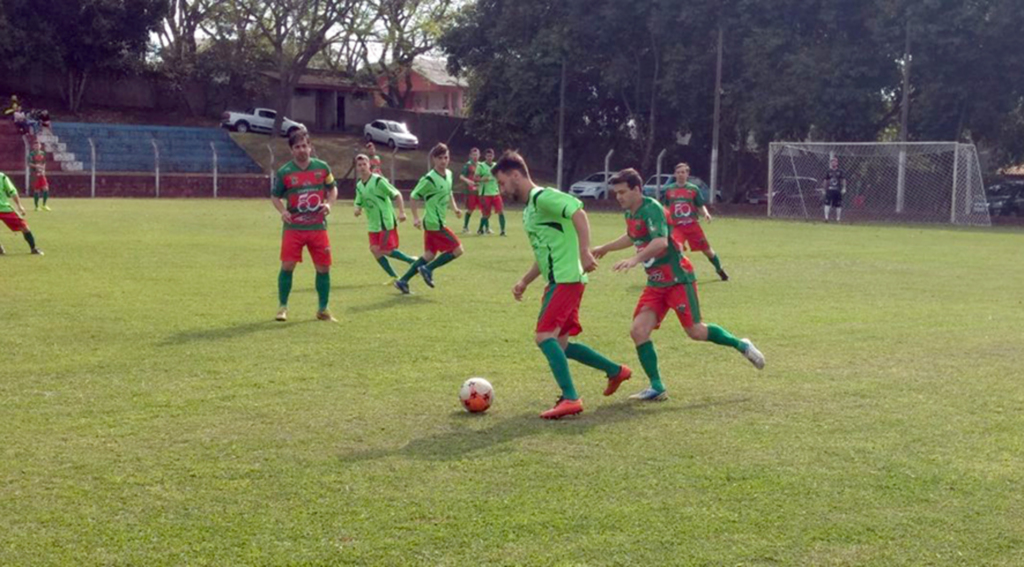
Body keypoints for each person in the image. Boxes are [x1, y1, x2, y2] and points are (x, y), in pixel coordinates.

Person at [593, 169, 764, 400]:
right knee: (638, 331)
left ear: (637, 189)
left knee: (695, 331)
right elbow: (632, 236)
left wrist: (634, 259)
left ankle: (740, 344)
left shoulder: (651, 207)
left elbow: (661, 242)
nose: (619, 197)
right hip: (656, 283)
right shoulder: (631, 213)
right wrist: (605, 248)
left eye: (623, 192)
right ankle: (657, 387)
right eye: (616, 193)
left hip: (677, 279)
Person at [493, 151, 631, 419]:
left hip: (566, 278)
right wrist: (525, 280)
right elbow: (544, 252)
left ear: (515, 175)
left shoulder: (544, 197)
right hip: (559, 279)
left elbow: (578, 212)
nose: (500, 189)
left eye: (501, 183)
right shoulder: (530, 210)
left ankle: (571, 398)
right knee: (562, 345)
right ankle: (616, 371)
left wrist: (584, 251)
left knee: (544, 337)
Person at [270, 130, 338, 322]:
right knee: (288, 265)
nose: (302, 150)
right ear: (291, 150)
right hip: (294, 228)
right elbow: (275, 196)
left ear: (310, 147)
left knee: (323, 267)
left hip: (318, 227)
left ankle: (323, 309)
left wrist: (329, 204)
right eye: (297, 147)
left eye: (304, 146)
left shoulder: (322, 168)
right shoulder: (285, 172)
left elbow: (332, 188)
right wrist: (283, 211)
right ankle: (282, 307)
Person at [394, 143, 464, 295]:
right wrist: (415, 218)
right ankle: (428, 269)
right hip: (434, 223)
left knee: (429, 255)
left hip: (436, 222)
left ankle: (403, 281)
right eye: (440, 158)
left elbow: (449, 192)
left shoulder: (449, 174)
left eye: (446, 157)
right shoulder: (429, 179)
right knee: (458, 250)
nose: (443, 161)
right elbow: (413, 196)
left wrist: (455, 208)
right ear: (433, 159)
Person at [353, 153, 418, 282]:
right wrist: (357, 209)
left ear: (369, 165)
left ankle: (412, 261)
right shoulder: (359, 185)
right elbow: (358, 201)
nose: (362, 167)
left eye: (364, 164)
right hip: (373, 223)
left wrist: (401, 212)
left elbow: (397, 194)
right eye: (359, 165)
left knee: (386, 250)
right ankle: (394, 277)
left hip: (384, 221)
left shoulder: (378, 181)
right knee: (374, 250)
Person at [662, 162, 728, 281]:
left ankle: (719, 269)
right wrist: (663, 218)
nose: (681, 175)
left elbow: (700, 206)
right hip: (677, 227)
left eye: (683, 172)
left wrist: (706, 214)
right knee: (677, 249)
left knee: (707, 251)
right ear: (675, 174)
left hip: (692, 226)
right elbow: (666, 207)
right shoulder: (669, 190)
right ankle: (680, 275)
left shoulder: (693, 189)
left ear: (687, 174)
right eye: (678, 172)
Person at [0, 171, 43, 256]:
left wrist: (19, 205)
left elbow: (12, 191)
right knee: (24, 227)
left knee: (24, 226)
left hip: (4, 208)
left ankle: (33, 248)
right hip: (4, 209)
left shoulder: (2, 177)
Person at [476, 148, 506, 236]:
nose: (489, 157)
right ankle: (480, 229)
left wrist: (502, 187)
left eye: (491, 156)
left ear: (493, 156)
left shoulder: (496, 166)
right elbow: (475, 178)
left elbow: (499, 178)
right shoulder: (481, 166)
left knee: (501, 211)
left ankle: (503, 231)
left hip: (495, 193)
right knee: (486, 214)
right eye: (488, 156)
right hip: (485, 193)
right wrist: (482, 179)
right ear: (485, 156)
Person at [458, 147, 481, 233]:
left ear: (479, 155)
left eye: (477, 155)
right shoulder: (468, 165)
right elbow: (461, 176)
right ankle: (465, 227)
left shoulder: (481, 165)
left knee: (485, 209)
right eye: (473, 155)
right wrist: (468, 181)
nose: (475, 156)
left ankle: (485, 227)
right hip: (471, 191)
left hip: (480, 190)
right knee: (470, 209)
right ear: (470, 155)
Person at [821, 157, 846, 222]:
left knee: (838, 204)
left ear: (837, 163)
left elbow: (843, 180)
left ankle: (838, 219)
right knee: (827, 203)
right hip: (830, 190)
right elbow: (825, 180)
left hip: (837, 190)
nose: (833, 163)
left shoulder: (840, 171)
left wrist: (844, 188)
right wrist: (824, 189)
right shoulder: (828, 171)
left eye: (835, 161)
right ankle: (826, 218)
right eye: (832, 161)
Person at [28, 139, 50, 211]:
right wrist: (37, 166)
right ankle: (36, 206)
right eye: (35, 145)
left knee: (46, 188)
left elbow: (44, 163)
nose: (37, 146)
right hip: (35, 174)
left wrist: (43, 170)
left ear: (40, 146)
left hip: (41, 173)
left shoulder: (42, 153)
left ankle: (44, 205)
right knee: (37, 190)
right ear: (33, 146)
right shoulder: (31, 154)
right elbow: (29, 163)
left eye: (38, 145)